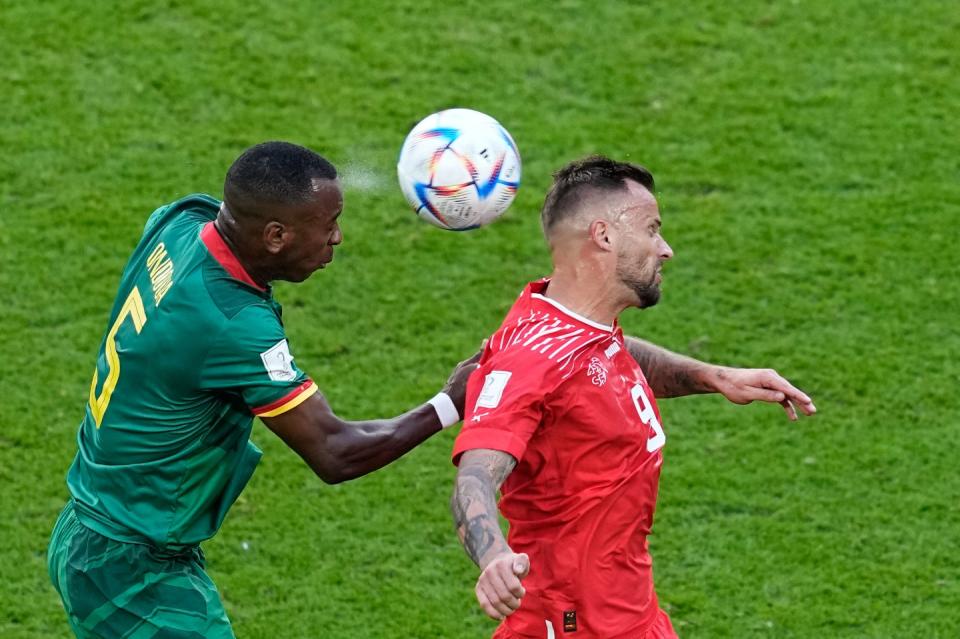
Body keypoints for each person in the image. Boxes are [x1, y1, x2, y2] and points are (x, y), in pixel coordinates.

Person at [47, 141, 477, 638]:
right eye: (329, 224)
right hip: (132, 571)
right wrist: (452, 401)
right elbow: (336, 453)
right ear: (275, 235)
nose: (336, 238)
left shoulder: (184, 222)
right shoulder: (231, 324)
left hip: (97, 531)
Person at [450, 156, 816, 639]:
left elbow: (612, 356)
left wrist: (713, 376)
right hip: (569, 623)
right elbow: (475, 475)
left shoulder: (581, 328)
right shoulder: (531, 360)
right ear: (603, 235)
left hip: (631, 615)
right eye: (651, 229)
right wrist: (494, 556)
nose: (665, 250)